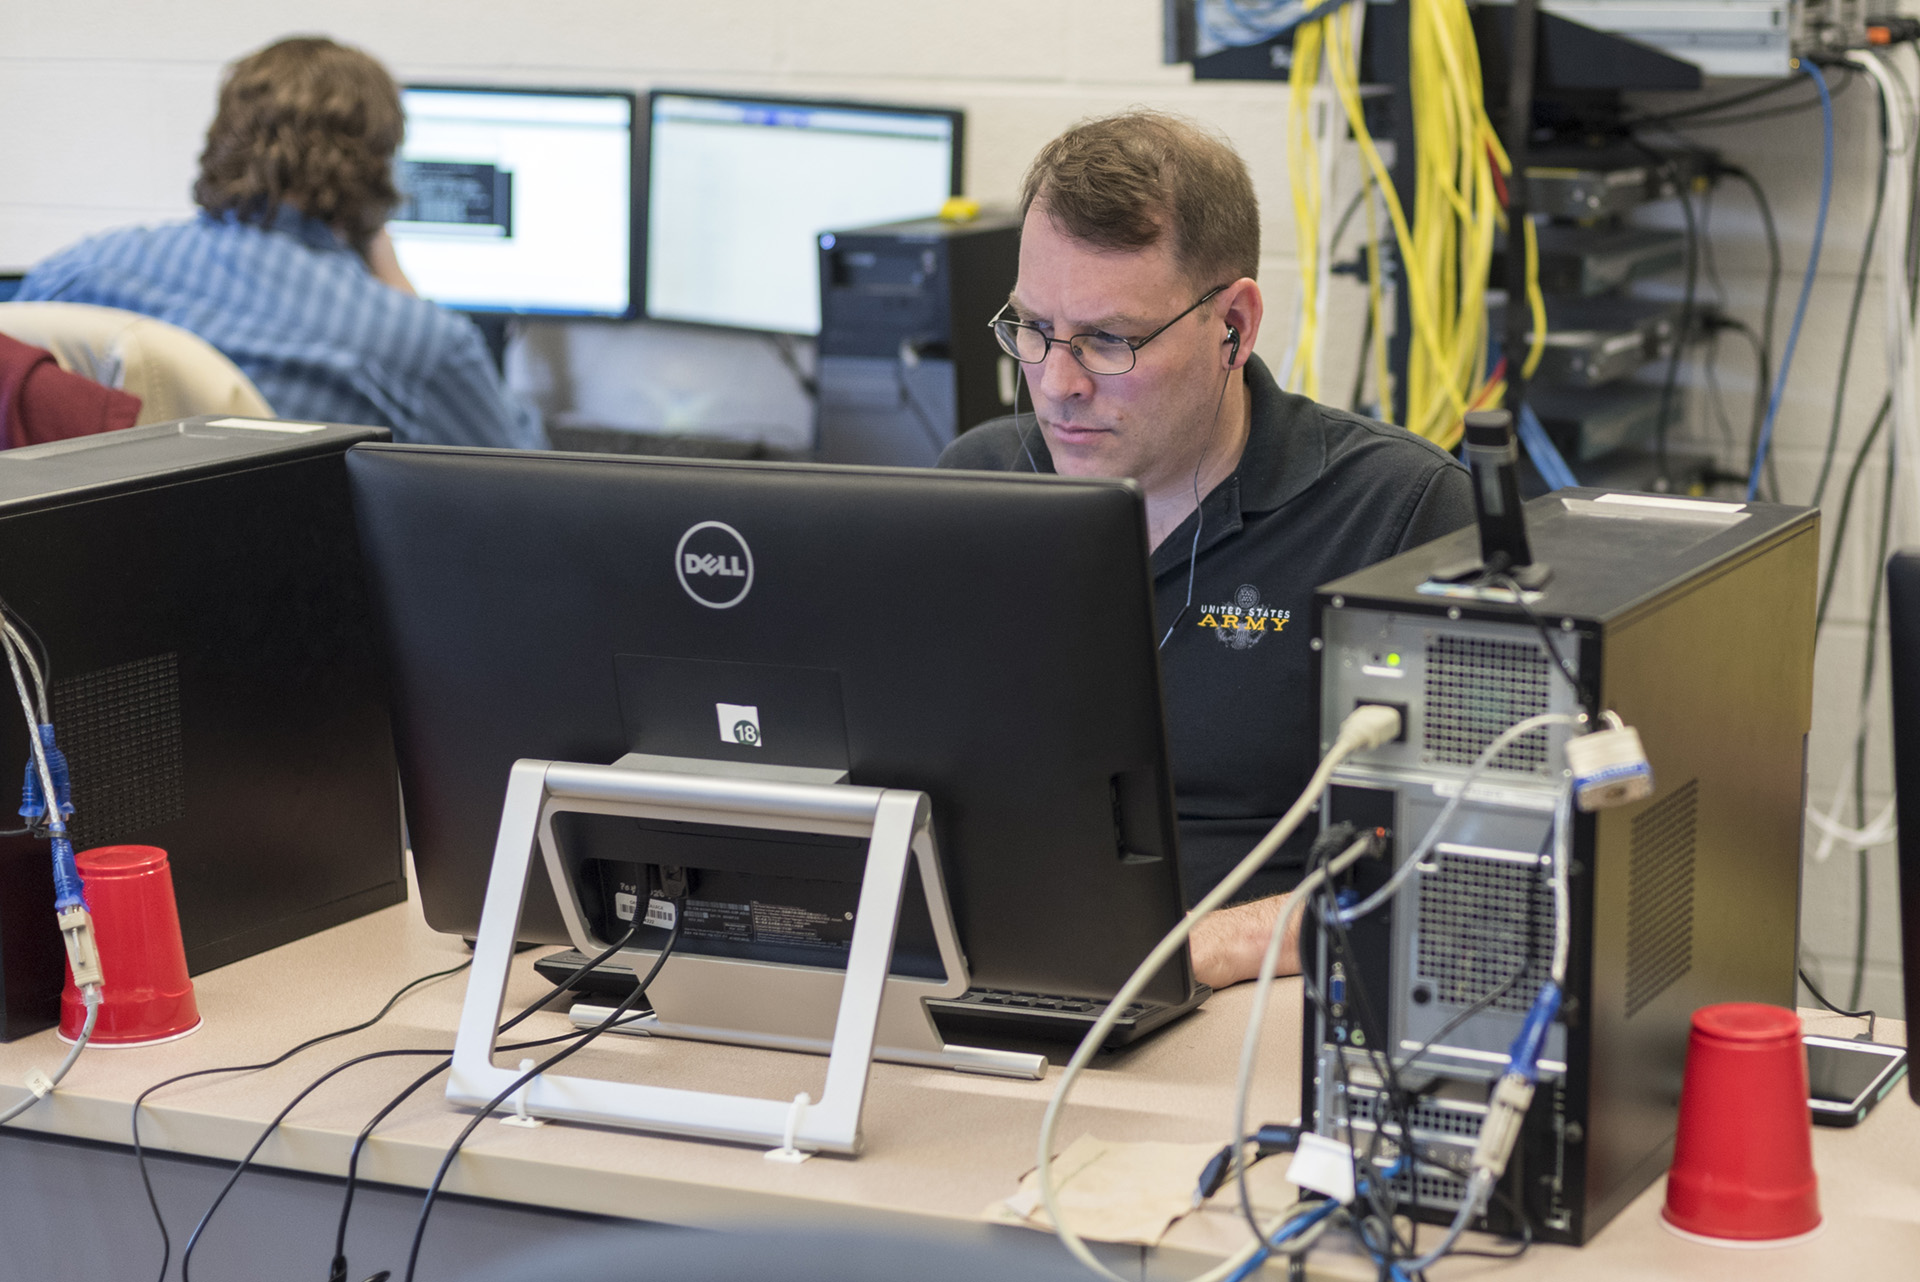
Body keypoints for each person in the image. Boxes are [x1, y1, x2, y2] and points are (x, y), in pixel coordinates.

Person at [938, 111, 1474, 989]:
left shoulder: (1398, 517)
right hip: (1001, 985)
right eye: (1031, 329)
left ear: (1235, 323)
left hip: (1254, 1006)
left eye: (1111, 340)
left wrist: (1203, 949)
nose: (1059, 385)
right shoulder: (979, 485)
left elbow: (1459, 864)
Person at [17, 37, 543, 449]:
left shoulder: (77, 272)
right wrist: (397, 282)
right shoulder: (415, 342)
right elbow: (527, 488)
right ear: (378, 165)